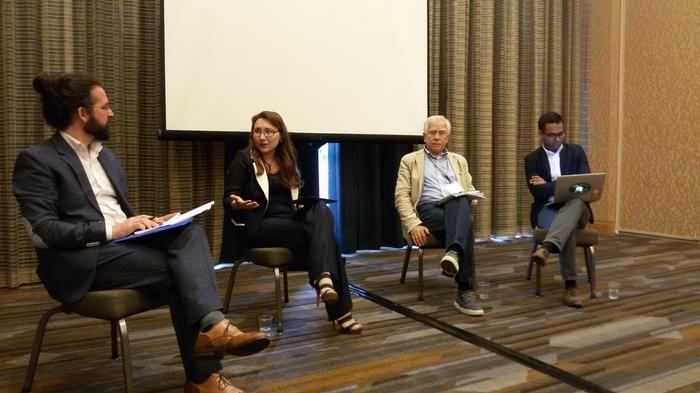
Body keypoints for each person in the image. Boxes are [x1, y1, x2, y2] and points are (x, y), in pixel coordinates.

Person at [13, 73, 269, 393]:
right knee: (182, 273)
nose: (112, 113)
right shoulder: (37, 160)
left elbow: (115, 213)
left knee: (189, 233)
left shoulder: (107, 157)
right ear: (83, 113)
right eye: (105, 107)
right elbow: (43, 232)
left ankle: (212, 339)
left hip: (122, 248)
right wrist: (115, 229)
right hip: (79, 260)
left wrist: (147, 223)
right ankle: (206, 370)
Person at [224, 110, 363, 334]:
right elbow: (228, 197)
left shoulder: (288, 158)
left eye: (269, 131)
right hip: (258, 224)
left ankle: (325, 281)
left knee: (320, 209)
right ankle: (337, 305)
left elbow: (296, 195)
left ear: (280, 134)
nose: (262, 137)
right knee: (326, 239)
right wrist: (235, 204)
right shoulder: (243, 159)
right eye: (257, 131)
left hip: (288, 221)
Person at [394, 115, 483, 316]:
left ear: (448, 137)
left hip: (455, 207)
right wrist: (413, 224)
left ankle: (453, 254)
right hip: (427, 209)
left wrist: (473, 197)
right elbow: (401, 196)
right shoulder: (410, 160)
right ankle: (464, 290)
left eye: (441, 133)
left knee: (460, 199)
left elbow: (469, 188)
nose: (436, 137)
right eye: (432, 132)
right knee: (465, 223)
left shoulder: (459, 160)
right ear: (424, 137)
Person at [525, 111, 602, 308]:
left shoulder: (576, 152)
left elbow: (584, 186)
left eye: (561, 133)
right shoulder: (532, 159)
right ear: (541, 134)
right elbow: (538, 193)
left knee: (575, 203)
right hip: (547, 209)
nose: (557, 138)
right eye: (552, 135)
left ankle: (547, 248)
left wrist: (550, 183)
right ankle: (570, 287)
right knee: (565, 225)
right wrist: (568, 185)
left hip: (578, 210)